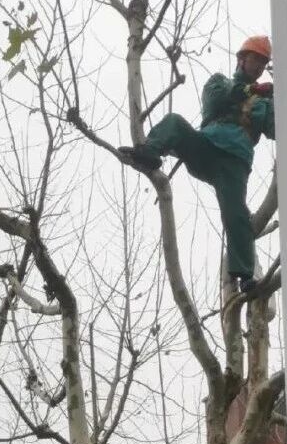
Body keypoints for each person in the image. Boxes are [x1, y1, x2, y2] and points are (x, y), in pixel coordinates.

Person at [118, 35, 276, 294]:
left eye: (263, 63)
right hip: (207, 147)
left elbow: (276, 130)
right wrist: (251, 91)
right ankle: (149, 152)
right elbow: (216, 101)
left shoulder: (265, 103)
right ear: (241, 59)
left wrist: (286, 98)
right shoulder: (220, 82)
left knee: (236, 213)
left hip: (234, 162)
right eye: (255, 59)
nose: (259, 66)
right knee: (174, 122)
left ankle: (244, 275)